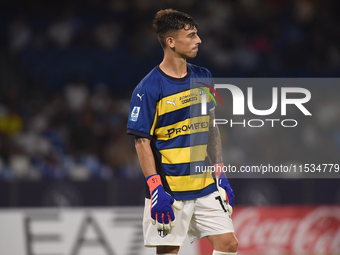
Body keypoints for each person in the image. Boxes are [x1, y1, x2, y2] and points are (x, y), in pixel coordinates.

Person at [127, 9, 238, 255]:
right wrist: (156, 188)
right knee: (169, 251)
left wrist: (220, 172)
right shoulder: (147, 88)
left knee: (228, 245)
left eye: (196, 34)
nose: (198, 40)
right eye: (191, 35)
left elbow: (210, 127)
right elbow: (141, 142)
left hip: (204, 185)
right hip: (170, 190)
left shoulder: (204, 76)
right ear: (171, 41)